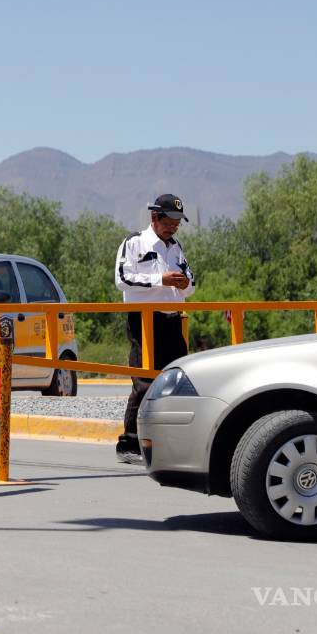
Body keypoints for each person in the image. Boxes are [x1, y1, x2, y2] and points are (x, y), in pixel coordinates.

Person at [115, 193, 196, 464]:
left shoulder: (176, 248)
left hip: (173, 321)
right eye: (169, 221)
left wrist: (185, 284)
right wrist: (160, 279)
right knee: (144, 383)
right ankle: (128, 443)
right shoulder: (134, 242)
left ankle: (166, 442)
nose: (173, 227)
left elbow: (192, 283)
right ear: (154, 217)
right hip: (144, 321)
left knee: (177, 381)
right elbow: (122, 278)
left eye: (177, 222)